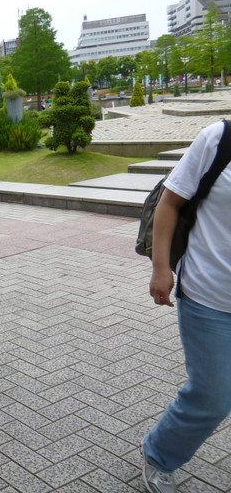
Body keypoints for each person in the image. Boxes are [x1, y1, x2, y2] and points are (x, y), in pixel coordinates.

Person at [141, 120, 231, 493]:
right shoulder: (218, 138)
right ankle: (160, 454)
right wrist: (161, 268)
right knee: (212, 396)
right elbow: (170, 202)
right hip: (210, 296)